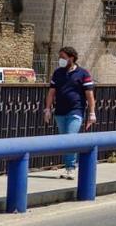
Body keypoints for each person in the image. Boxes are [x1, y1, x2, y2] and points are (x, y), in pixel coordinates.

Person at [43, 47, 96, 180]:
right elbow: (51, 93)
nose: (60, 60)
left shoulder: (83, 74)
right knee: (64, 141)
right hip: (59, 112)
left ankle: (71, 168)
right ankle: (68, 167)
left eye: (63, 57)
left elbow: (89, 95)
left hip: (76, 110)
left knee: (71, 138)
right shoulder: (57, 73)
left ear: (71, 58)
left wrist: (92, 113)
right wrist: (47, 109)